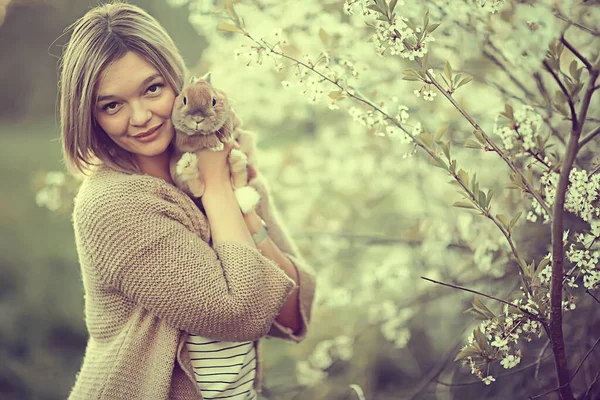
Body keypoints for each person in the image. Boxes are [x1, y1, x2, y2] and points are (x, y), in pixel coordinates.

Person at [58, 2, 316, 399]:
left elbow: (293, 309)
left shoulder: (225, 159)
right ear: (90, 117)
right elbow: (240, 312)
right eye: (112, 105)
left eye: (152, 89)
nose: (141, 116)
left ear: (179, 81)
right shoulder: (114, 205)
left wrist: (242, 207)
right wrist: (216, 188)